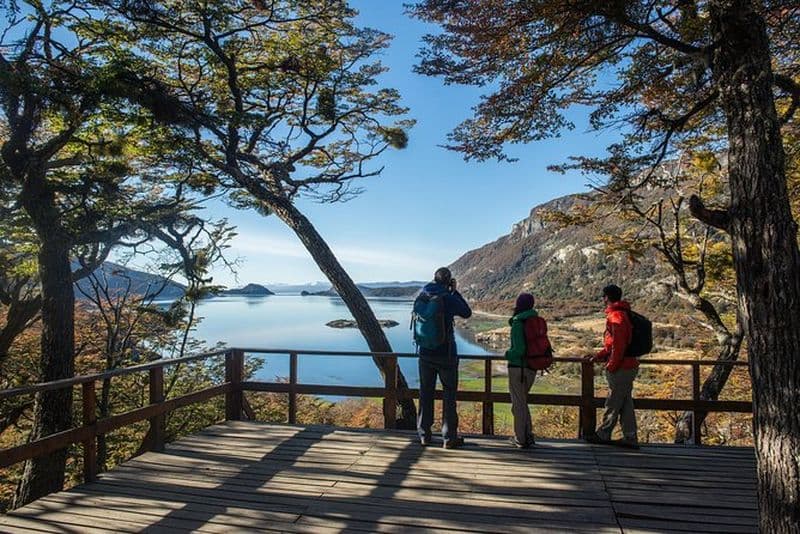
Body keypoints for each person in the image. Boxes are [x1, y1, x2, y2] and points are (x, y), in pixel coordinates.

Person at [416, 267, 472, 449]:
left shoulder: (423, 295)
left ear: (434, 278)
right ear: (448, 281)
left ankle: (424, 434)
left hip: (424, 352)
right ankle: (449, 438)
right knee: (449, 394)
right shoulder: (447, 297)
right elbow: (466, 312)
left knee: (425, 393)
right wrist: (454, 291)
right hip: (446, 354)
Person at [584, 284, 640, 449]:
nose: (603, 299)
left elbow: (618, 345)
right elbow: (613, 345)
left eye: (603, 297)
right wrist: (599, 356)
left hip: (622, 367)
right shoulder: (623, 313)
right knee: (625, 401)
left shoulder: (616, 316)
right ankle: (630, 436)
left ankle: (603, 433)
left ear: (607, 297)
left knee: (613, 401)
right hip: (629, 364)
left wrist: (612, 365)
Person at [504, 292, 549, 448]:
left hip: (518, 368)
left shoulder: (518, 323)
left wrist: (507, 354)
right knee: (523, 402)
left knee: (518, 404)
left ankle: (520, 438)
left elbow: (519, 349)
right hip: (532, 367)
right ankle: (528, 435)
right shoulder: (534, 320)